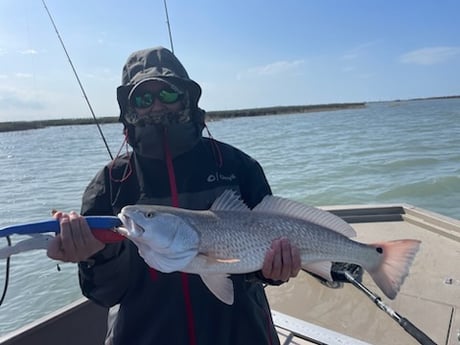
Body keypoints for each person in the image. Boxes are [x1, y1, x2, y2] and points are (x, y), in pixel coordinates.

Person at [47, 46, 301, 345]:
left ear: (187, 98)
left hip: (240, 333)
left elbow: (263, 252)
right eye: (143, 98)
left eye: (167, 94)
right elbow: (106, 293)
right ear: (130, 109)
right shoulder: (110, 183)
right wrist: (94, 257)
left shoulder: (237, 166)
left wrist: (273, 270)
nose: (156, 106)